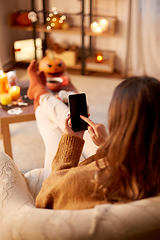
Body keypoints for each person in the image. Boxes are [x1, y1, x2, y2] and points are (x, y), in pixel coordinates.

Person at [27, 60, 160, 210]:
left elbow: (48, 192)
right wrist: (107, 145)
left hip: (63, 184)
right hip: (118, 159)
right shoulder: (151, 166)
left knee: (55, 130)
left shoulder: (97, 181)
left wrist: (73, 141)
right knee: (71, 119)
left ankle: (38, 93)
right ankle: (39, 93)